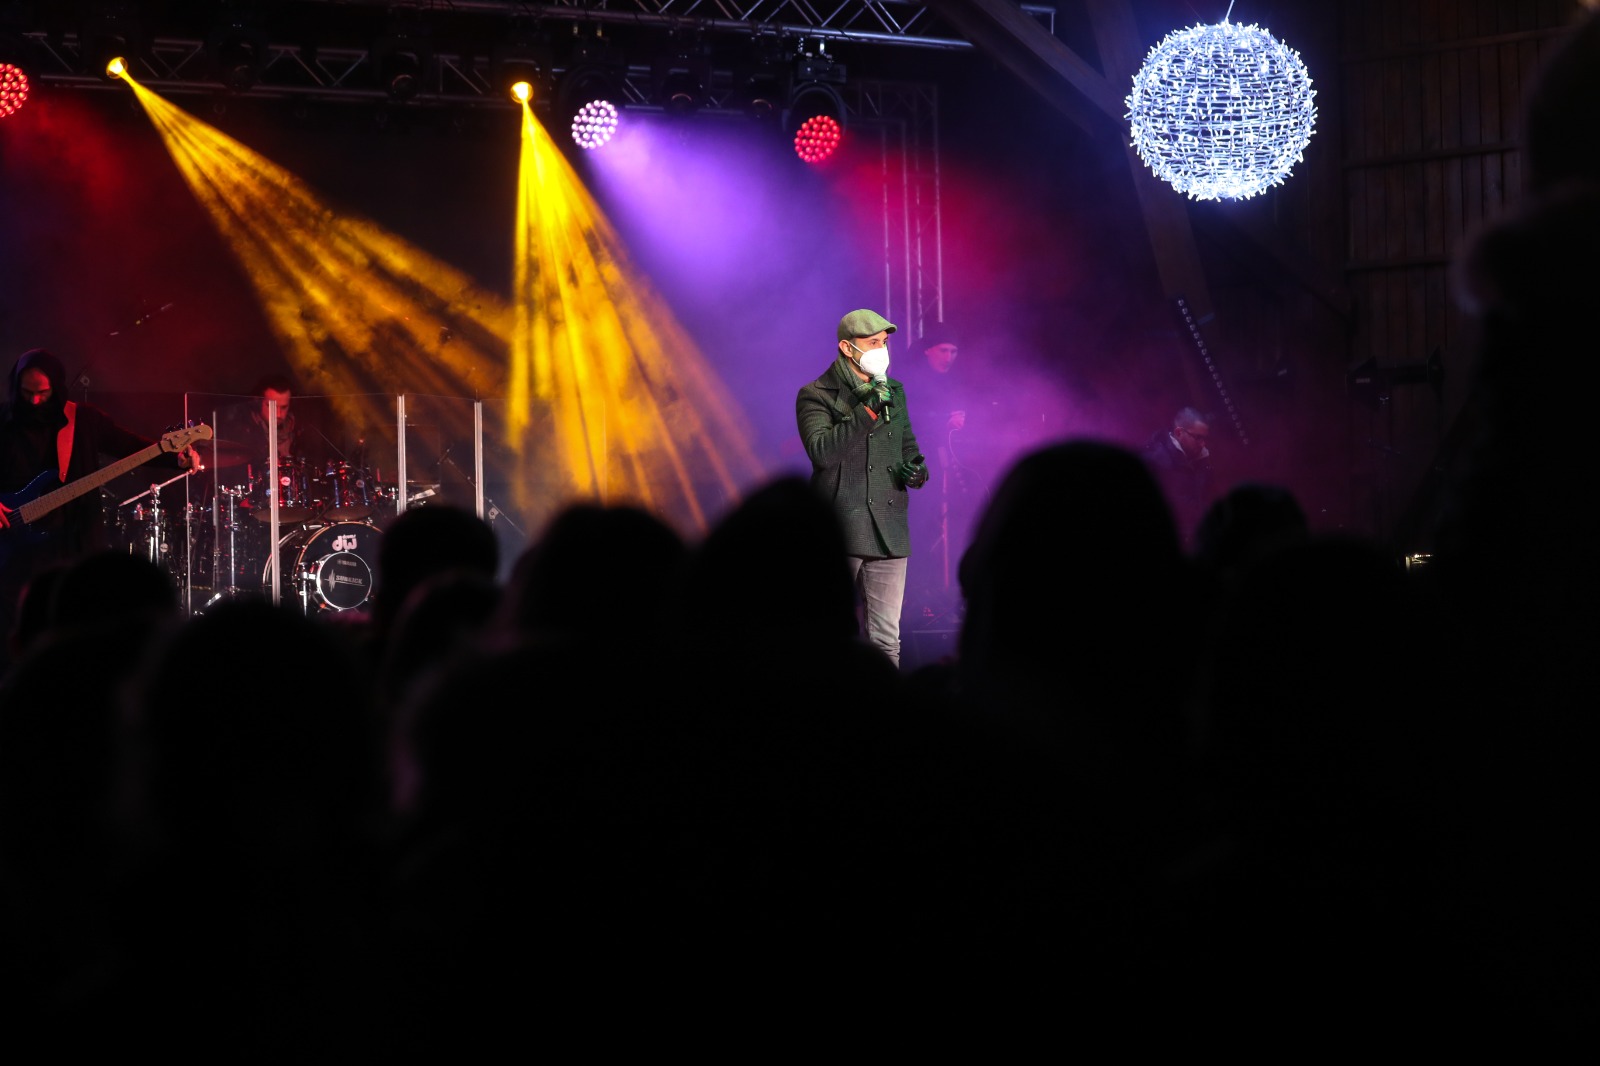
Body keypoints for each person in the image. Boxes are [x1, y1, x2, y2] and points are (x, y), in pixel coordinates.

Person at [0, 348, 201, 667]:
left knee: (78, 621)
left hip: (74, 539)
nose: (35, 401)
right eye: (27, 393)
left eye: (43, 393)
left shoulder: (84, 420)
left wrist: (174, 458)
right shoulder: (4, 420)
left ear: (56, 387)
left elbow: (129, 446)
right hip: (14, 547)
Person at [795, 308, 928, 668]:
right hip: (841, 524)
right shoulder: (816, 394)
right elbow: (822, 453)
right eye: (872, 343)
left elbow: (908, 446)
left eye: (883, 342)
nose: (881, 350)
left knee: (887, 639)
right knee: (826, 634)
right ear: (847, 347)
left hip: (888, 526)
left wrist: (917, 471)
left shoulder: (894, 391)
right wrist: (866, 410)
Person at [1141, 406, 1215, 545]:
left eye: (1204, 438)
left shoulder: (1202, 461)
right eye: (1198, 437)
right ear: (1179, 432)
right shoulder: (1155, 461)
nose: (1202, 444)